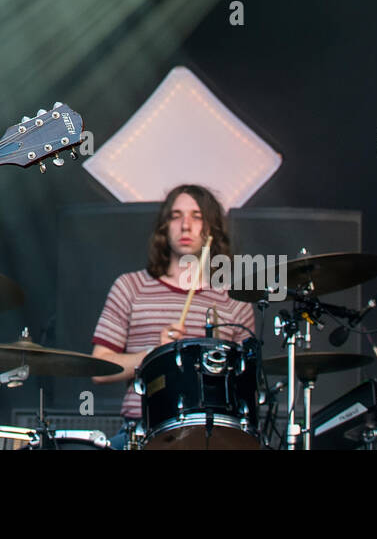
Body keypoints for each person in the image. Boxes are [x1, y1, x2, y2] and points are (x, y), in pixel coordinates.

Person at [89, 184, 255, 448]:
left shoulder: (233, 299)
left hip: (214, 436)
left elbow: (247, 383)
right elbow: (99, 369)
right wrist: (154, 353)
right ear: (164, 227)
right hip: (142, 433)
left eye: (197, 216)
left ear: (211, 229)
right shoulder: (130, 287)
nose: (186, 225)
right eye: (176, 216)